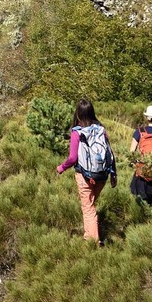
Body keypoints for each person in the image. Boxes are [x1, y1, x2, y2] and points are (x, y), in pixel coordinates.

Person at [56, 99, 116, 244]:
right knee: (91, 205)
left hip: (84, 175)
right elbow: (110, 152)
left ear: (78, 113)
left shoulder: (77, 132)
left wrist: (61, 168)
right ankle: (90, 235)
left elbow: (72, 158)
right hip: (102, 174)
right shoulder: (101, 129)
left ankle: (92, 243)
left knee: (88, 208)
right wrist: (113, 174)